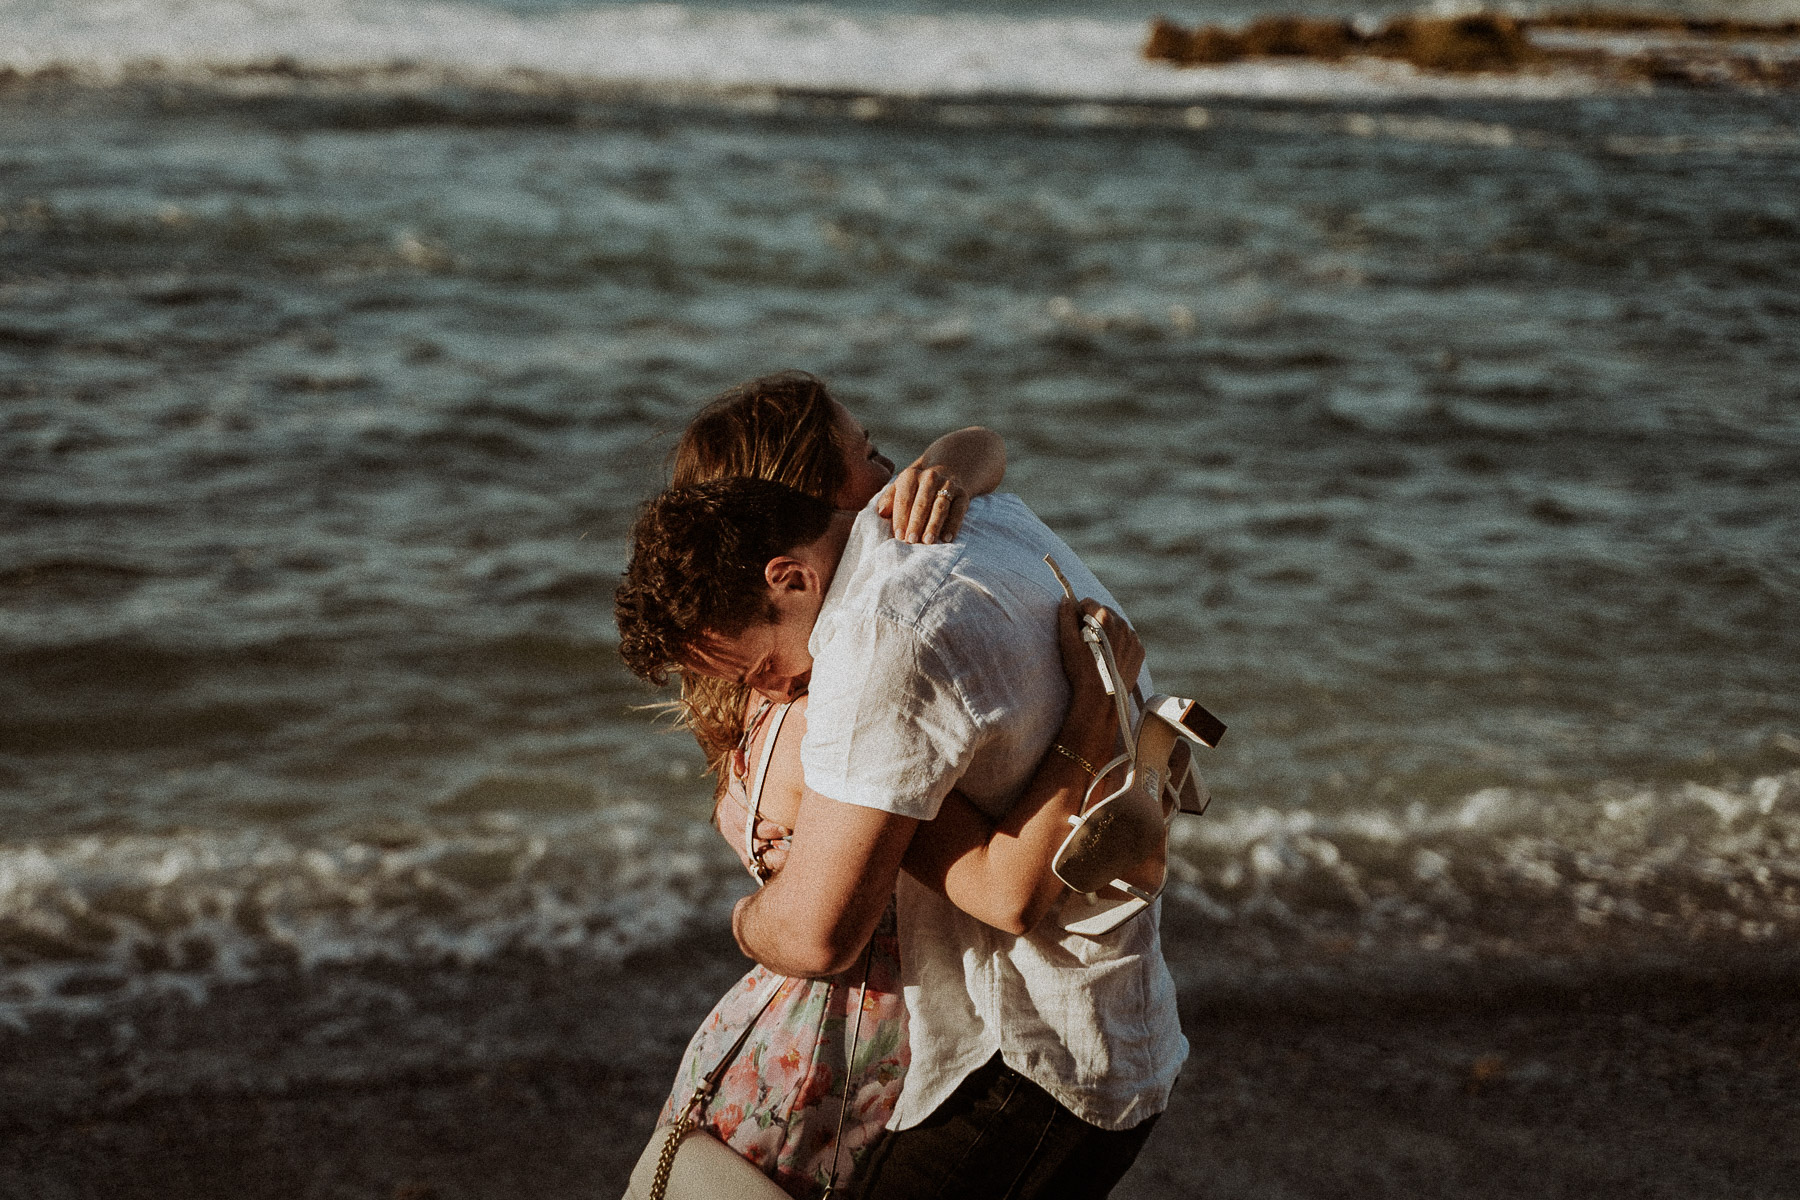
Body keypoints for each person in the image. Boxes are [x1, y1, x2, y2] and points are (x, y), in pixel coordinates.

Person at [615, 381, 1186, 1200]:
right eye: (864, 455)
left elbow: (959, 902)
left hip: (1018, 1054)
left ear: (783, 573)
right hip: (1086, 1025)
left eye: (755, 667)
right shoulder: (967, 527)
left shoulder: (867, 662)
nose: (766, 689)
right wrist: (1096, 719)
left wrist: (744, 920)